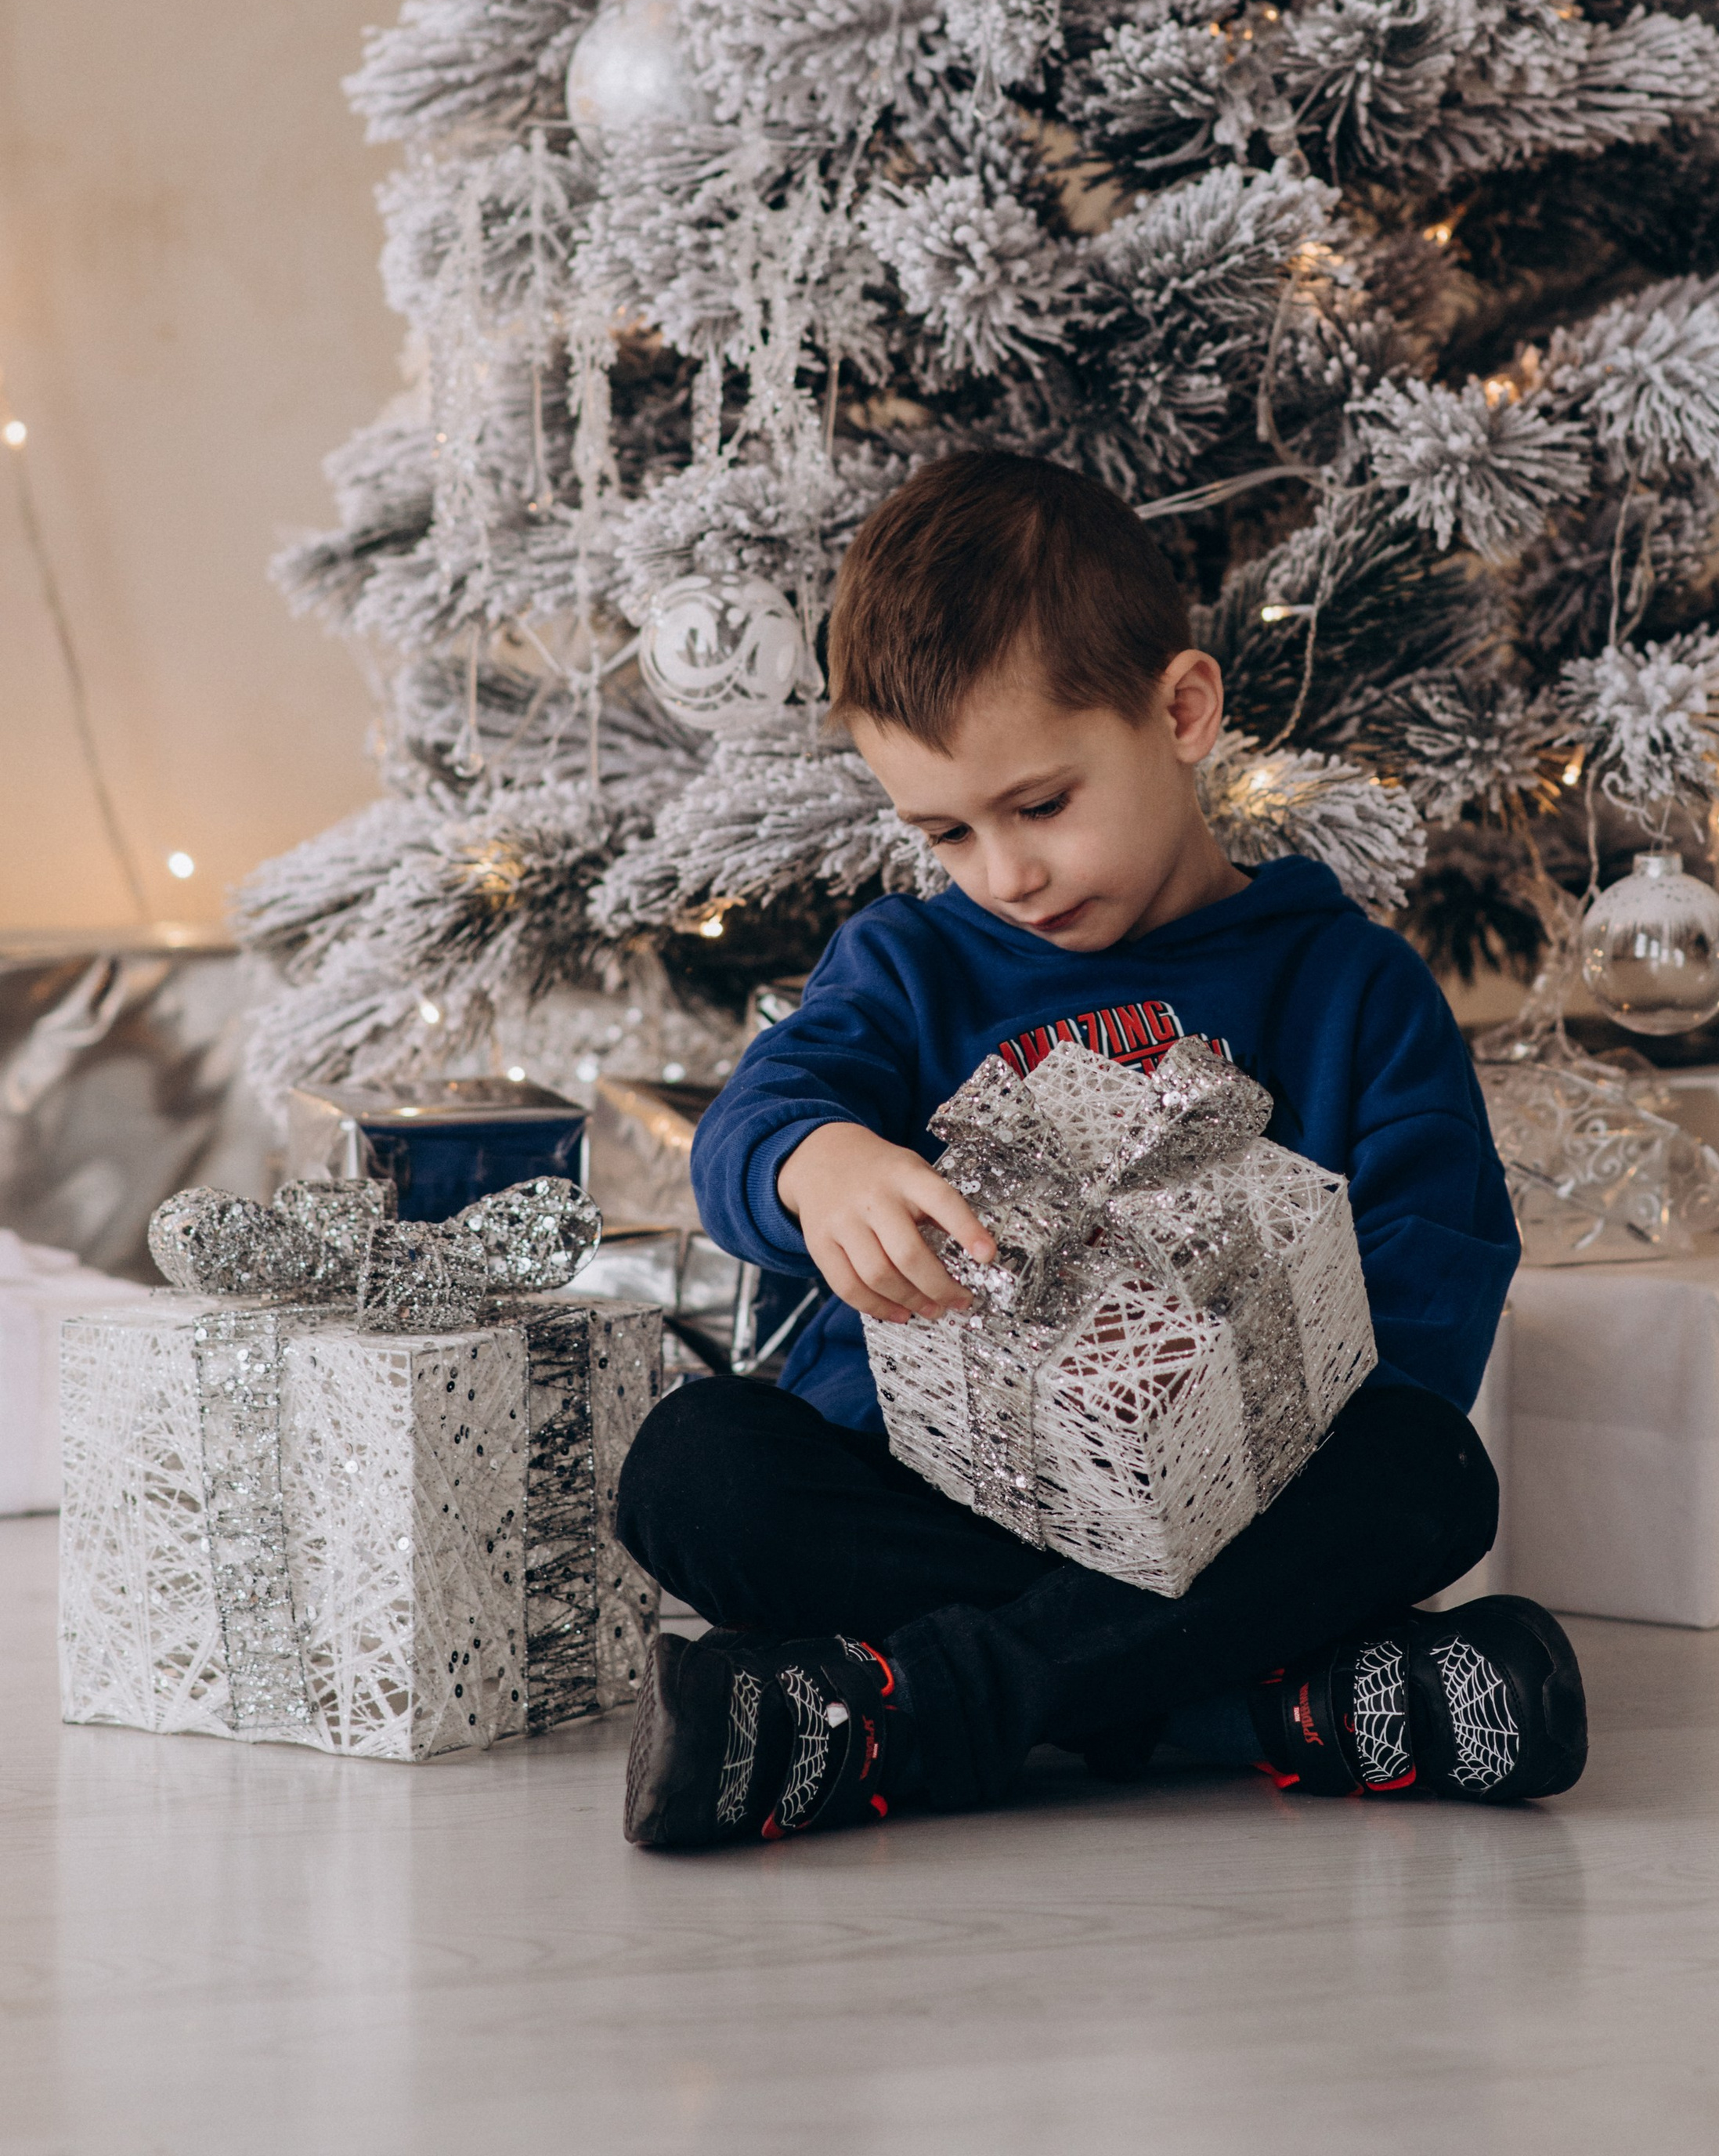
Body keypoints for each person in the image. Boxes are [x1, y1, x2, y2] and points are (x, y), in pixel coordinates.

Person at [616, 451, 1586, 1850]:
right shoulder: (908, 964)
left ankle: (911, 1712)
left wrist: (1248, 1410)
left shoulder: (1348, 985)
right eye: (944, 832)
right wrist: (813, 1164)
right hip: (935, 1490)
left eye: (1043, 806)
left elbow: (1433, 1281)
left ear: (1182, 711)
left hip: (1235, 1512)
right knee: (692, 1466)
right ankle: (1261, 1707)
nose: (1004, 876)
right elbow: (754, 1125)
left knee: (1426, 1470)